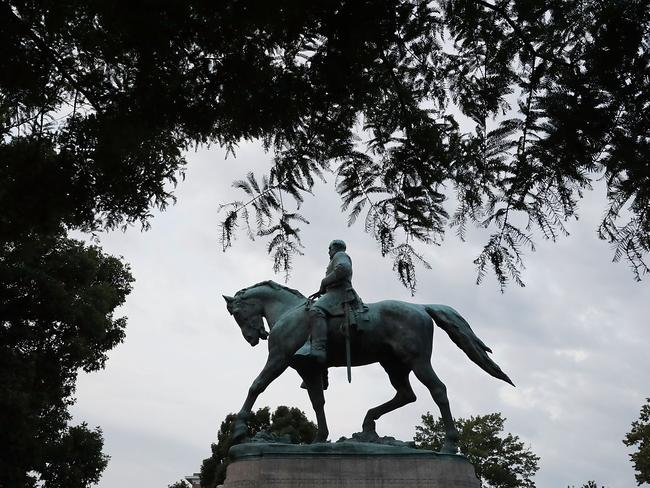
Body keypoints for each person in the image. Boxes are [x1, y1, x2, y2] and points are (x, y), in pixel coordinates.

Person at [297, 239, 362, 364]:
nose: (329, 252)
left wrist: (324, 282)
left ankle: (318, 348)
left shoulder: (340, 255)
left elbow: (344, 269)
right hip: (334, 292)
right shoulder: (337, 257)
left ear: (335, 248)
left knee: (316, 310)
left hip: (339, 293)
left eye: (329, 249)